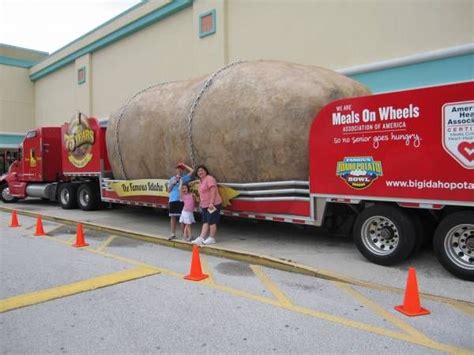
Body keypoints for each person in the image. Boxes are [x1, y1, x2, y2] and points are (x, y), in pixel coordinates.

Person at [192, 165, 223, 246]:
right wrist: (201, 204)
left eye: (202, 170)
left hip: (213, 204)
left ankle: (212, 238)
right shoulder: (201, 181)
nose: (200, 172)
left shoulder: (209, 178)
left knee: (212, 221)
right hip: (205, 205)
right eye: (198, 171)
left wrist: (212, 203)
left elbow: (213, 191)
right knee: (205, 221)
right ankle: (201, 238)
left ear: (206, 171)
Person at [168, 162, 194, 240]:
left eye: (181, 168)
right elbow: (169, 190)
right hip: (173, 199)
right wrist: (174, 182)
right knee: (173, 217)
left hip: (182, 200)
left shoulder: (185, 178)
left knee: (182, 218)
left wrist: (184, 165)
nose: (179, 170)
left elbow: (192, 171)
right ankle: (173, 233)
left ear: (183, 170)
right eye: (178, 168)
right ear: (176, 170)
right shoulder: (172, 179)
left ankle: (184, 234)